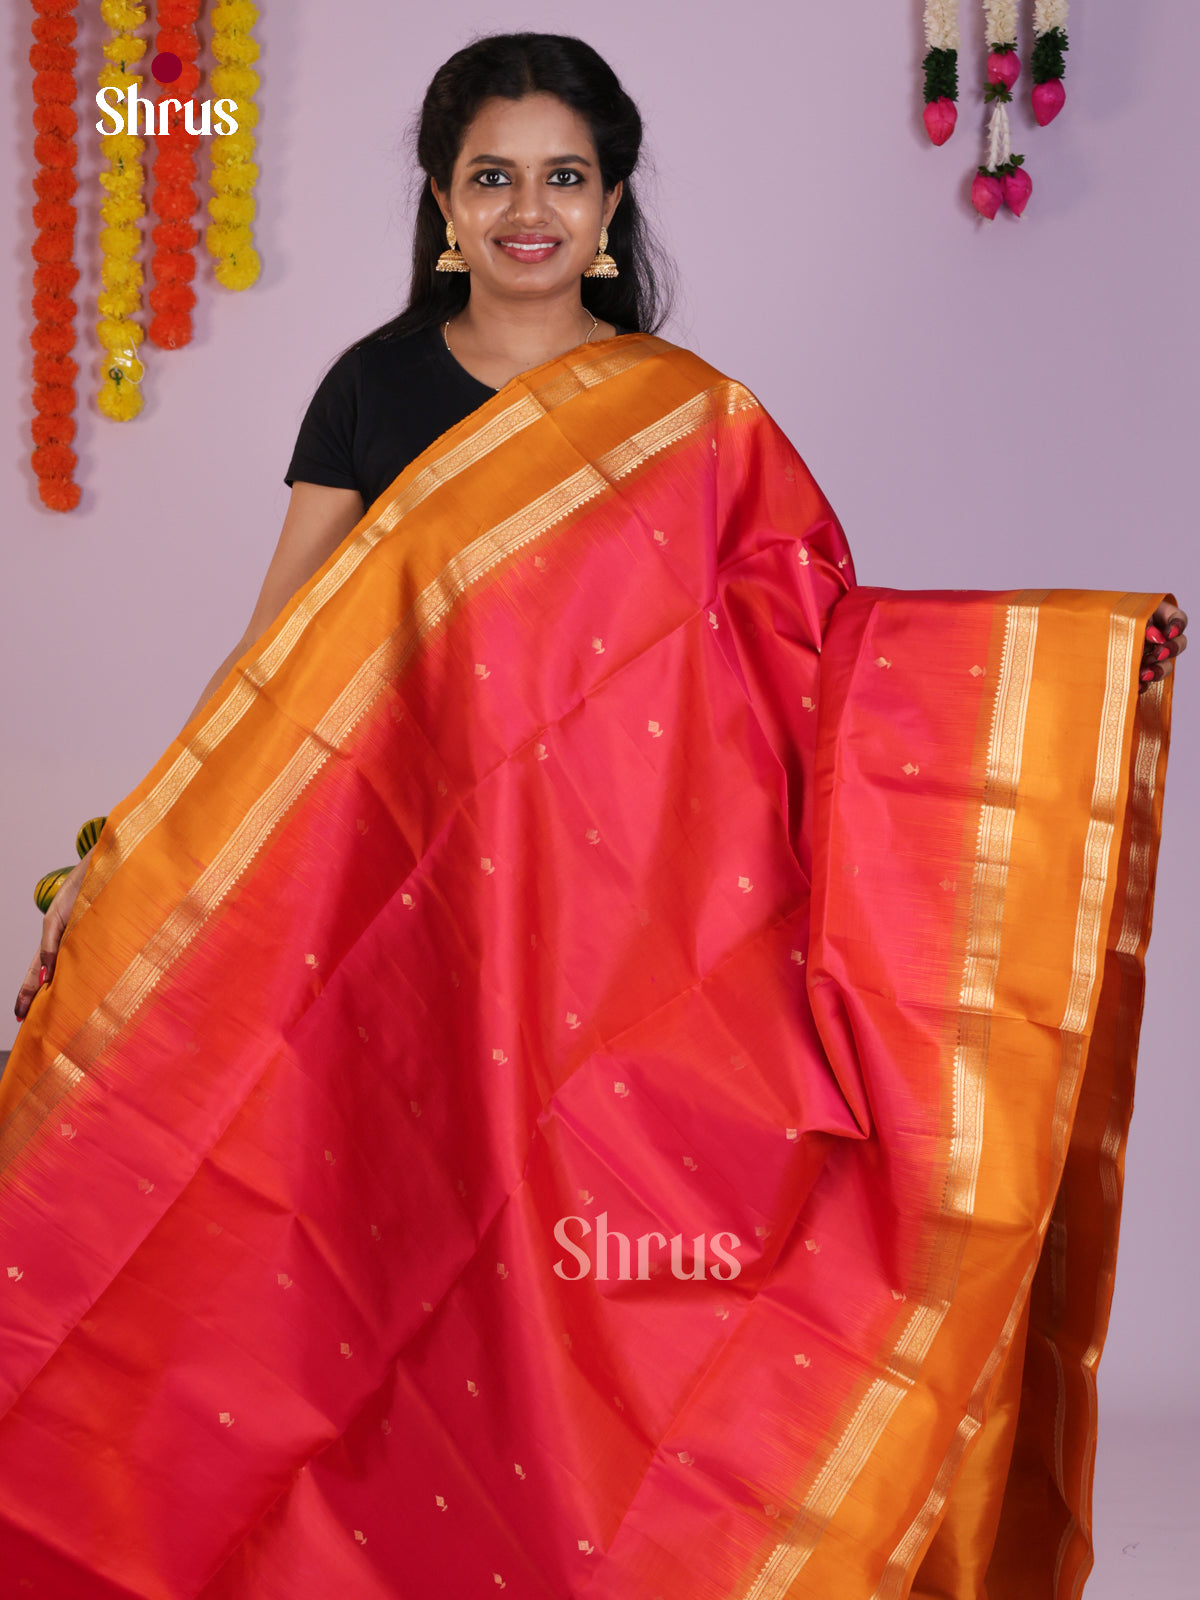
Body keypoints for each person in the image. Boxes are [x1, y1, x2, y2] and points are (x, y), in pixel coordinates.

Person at [0, 30, 1188, 1600]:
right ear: (442, 201)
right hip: (402, 916)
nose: (528, 211)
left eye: (564, 176)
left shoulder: (687, 420)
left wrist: (1071, 657)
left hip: (620, 933)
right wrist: (138, 844)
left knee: (601, 1268)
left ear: (615, 202)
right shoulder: (375, 388)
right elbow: (273, 663)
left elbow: (813, 646)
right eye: (493, 177)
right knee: (374, 1257)